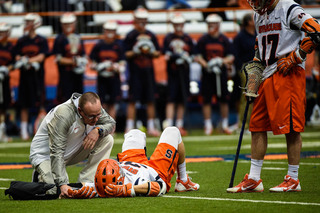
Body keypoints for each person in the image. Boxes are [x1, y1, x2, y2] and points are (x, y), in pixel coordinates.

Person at [227, 0, 320, 193]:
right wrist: (255, 73)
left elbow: (316, 31)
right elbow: (260, 47)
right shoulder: (258, 14)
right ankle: (254, 178)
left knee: (292, 127)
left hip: (288, 72)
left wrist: (298, 55)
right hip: (267, 73)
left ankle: (293, 179)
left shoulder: (288, 7)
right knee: (257, 125)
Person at [68, 126, 200, 198]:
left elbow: (88, 186)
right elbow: (160, 187)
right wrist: (128, 190)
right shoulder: (128, 186)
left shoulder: (104, 184)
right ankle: (183, 181)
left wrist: (71, 191)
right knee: (173, 131)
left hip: (130, 162)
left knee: (134, 133)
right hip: (155, 171)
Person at [29, 92, 116, 198]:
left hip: (71, 150)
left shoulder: (94, 108)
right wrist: (62, 184)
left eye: (98, 115)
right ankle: (40, 175)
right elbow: (56, 151)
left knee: (107, 139)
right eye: (92, 116)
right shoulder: (63, 114)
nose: (96, 119)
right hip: (46, 156)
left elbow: (111, 123)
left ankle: (87, 183)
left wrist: (98, 130)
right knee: (54, 191)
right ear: (80, 110)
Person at [123, 7, 161, 136]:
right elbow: (125, 54)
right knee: (133, 100)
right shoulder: (131, 35)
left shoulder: (151, 35)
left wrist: (150, 51)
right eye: (140, 20)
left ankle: (151, 127)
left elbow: (157, 53)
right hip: (135, 72)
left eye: (144, 20)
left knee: (150, 99)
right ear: (135, 20)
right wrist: (136, 51)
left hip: (148, 72)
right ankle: (129, 127)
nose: (142, 23)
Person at [195, 14, 235, 135]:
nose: (210, 27)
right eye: (209, 24)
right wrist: (207, 65)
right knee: (206, 99)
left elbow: (231, 56)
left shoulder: (224, 39)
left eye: (212, 24)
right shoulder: (203, 39)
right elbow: (197, 56)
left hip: (221, 73)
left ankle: (224, 124)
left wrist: (221, 61)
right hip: (208, 74)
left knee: (224, 99)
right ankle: (208, 125)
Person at [13, 13, 49, 140]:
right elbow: (16, 55)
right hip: (25, 76)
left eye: (29, 21)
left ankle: (41, 130)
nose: (27, 24)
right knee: (24, 104)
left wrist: (29, 61)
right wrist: (22, 59)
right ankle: (24, 130)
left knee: (40, 102)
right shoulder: (22, 40)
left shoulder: (41, 40)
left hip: (37, 77)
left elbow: (42, 56)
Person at [162, 13, 195, 136]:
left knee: (182, 99)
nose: (178, 26)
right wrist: (176, 56)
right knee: (171, 98)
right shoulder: (169, 38)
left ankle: (179, 124)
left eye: (180, 24)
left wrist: (187, 58)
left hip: (184, 72)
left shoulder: (187, 39)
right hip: (173, 73)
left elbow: (193, 55)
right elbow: (165, 54)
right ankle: (169, 124)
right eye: (176, 24)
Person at [89, 20, 126, 120]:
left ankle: (111, 127)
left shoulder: (119, 46)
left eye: (112, 30)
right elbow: (92, 63)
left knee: (113, 102)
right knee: (102, 103)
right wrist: (99, 66)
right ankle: (102, 124)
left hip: (114, 78)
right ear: (104, 31)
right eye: (108, 30)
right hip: (102, 78)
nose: (110, 33)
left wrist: (114, 66)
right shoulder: (98, 46)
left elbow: (122, 64)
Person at [52, 12, 88, 104]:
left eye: (70, 23)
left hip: (77, 76)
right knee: (65, 102)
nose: (68, 26)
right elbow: (58, 58)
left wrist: (82, 62)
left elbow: (83, 55)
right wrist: (74, 62)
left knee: (79, 101)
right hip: (65, 77)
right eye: (65, 24)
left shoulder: (78, 37)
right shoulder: (59, 39)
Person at [232, 13, 256, 131]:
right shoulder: (240, 37)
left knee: (260, 97)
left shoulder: (258, 34)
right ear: (248, 22)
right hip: (247, 68)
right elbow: (236, 56)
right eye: (253, 19)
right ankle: (243, 124)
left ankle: (256, 123)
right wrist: (242, 68)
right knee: (247, 97)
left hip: (259, 67)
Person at [0, 22, 13, 142]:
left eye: (3, 32)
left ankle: (2, 132)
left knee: (4, 106)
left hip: (5, 80)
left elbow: (14, 63)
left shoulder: (10, 47)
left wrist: (7, 69)